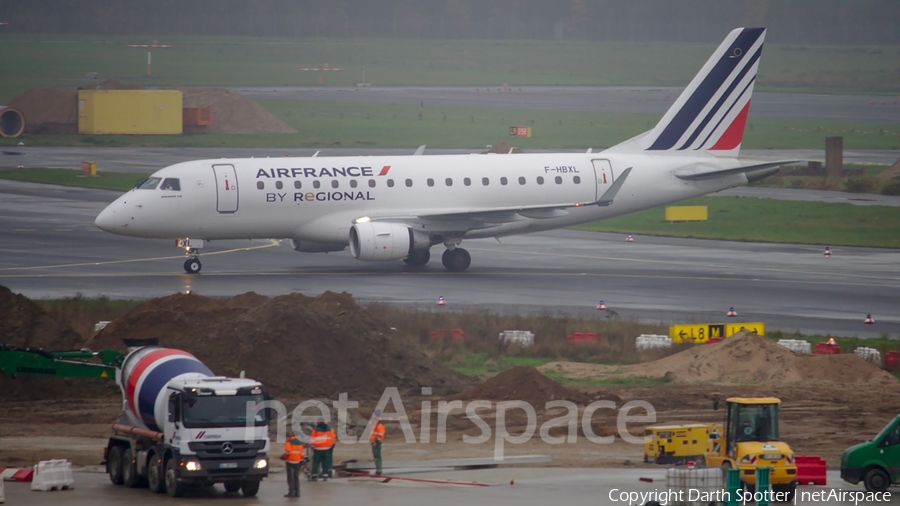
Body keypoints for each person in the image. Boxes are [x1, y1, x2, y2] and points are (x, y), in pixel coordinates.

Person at [282, 431, 304, 497]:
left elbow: (287, 451)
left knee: (290, 477)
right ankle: (297, 492)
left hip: (290, 461)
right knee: (296, 477)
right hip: (298, 461)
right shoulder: (300, 442)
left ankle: (291, 492)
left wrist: (283, 456)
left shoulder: (289, 442)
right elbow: (302, 454)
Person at [370, 409, 386, 475]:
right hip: (375, 441)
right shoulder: (377, 422)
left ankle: (379, 470)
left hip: (376, 441)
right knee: (376, 456)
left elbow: (379, 434)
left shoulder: (379, 423)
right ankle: (378, 470)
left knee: (377, 456)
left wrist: (375, 441)